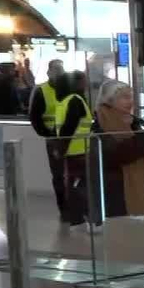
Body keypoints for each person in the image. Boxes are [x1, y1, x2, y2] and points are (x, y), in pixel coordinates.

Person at [89, 81, 144, 219]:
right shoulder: (101, 125)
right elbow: (112, 156)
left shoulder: (131, 123)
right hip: (116, 193)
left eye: (131, 97)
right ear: (109, 100)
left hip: (138, 188)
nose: (130, 101)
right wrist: (143, 140)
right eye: (124, 97)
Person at [29, 59, 70, 220]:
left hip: (72, 137)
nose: (59, 73)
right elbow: (35, 116)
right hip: (54, 139)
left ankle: (75, 207)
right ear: (49, 72)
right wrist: (47, 134)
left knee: (73, 173)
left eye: (61, 69)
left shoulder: (69, 89)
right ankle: (64, 209)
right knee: (59, 174)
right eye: (56, 70)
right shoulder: (42, 91)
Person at [56, 71, 96, 225]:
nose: (86, 84)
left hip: (74, 152)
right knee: (80, 187)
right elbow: (69, 128)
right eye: (84, 81)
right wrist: (62, 149)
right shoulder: (75, 101)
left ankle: (77, 217)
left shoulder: (64, 101)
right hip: (79, 152)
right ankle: (80, 218)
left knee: (75, 186)